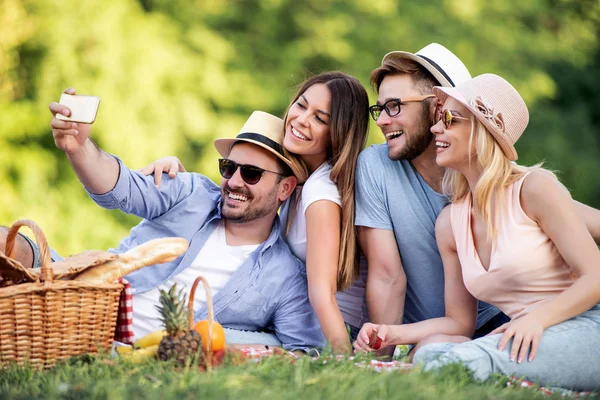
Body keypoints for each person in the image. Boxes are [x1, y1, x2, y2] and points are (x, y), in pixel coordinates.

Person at [355, 74, 600, 391]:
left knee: (466, 360)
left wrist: (536, 319)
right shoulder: (450, 224)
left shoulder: (535, 189)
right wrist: (391, 333)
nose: (435, 128)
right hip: (520, 337)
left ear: (483, 131)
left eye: (449, 119)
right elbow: (459, 323)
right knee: (431, 351)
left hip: (584, 328)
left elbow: (594, 276)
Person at [43, 102, 324, 350]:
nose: (235, 181)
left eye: (251, 174)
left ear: (285, 188)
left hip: (152, 357)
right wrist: (78, 147)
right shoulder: (190, 193)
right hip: (83, 302)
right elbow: (120, 187)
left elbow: (303, 349)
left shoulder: (285, 277)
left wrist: (228, 342)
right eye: (228, 167)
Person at [142, 71, 370, 352]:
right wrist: (177, 172)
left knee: (200, 338)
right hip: (298, 317)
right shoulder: (299, 180)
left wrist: (344, 358)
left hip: (332, 328)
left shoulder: (319, 194)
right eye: (301, 105)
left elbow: (322, 293)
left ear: (338, 134)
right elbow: (240, 193)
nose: (301, 119)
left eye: (320, 119)